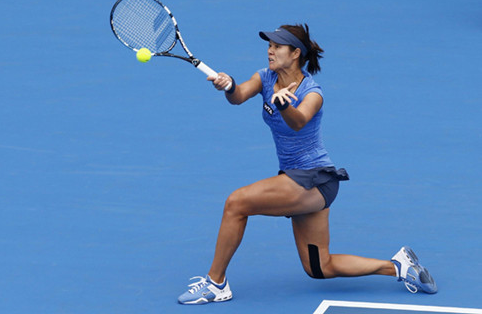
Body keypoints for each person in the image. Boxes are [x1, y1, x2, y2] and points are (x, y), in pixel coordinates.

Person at [177, 24, 437, 305]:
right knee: (319, 267)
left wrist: (284, 105)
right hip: (297, 180)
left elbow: (299, 121)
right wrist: (228, 85)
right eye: (269, 45)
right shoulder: (265, 77)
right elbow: (239, 96)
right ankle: (399, 267)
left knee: (236, 203)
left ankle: (216, 284)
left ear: (295, 53)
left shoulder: (313, 92)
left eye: (277, 46)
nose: (270, 50)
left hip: (314, 179)